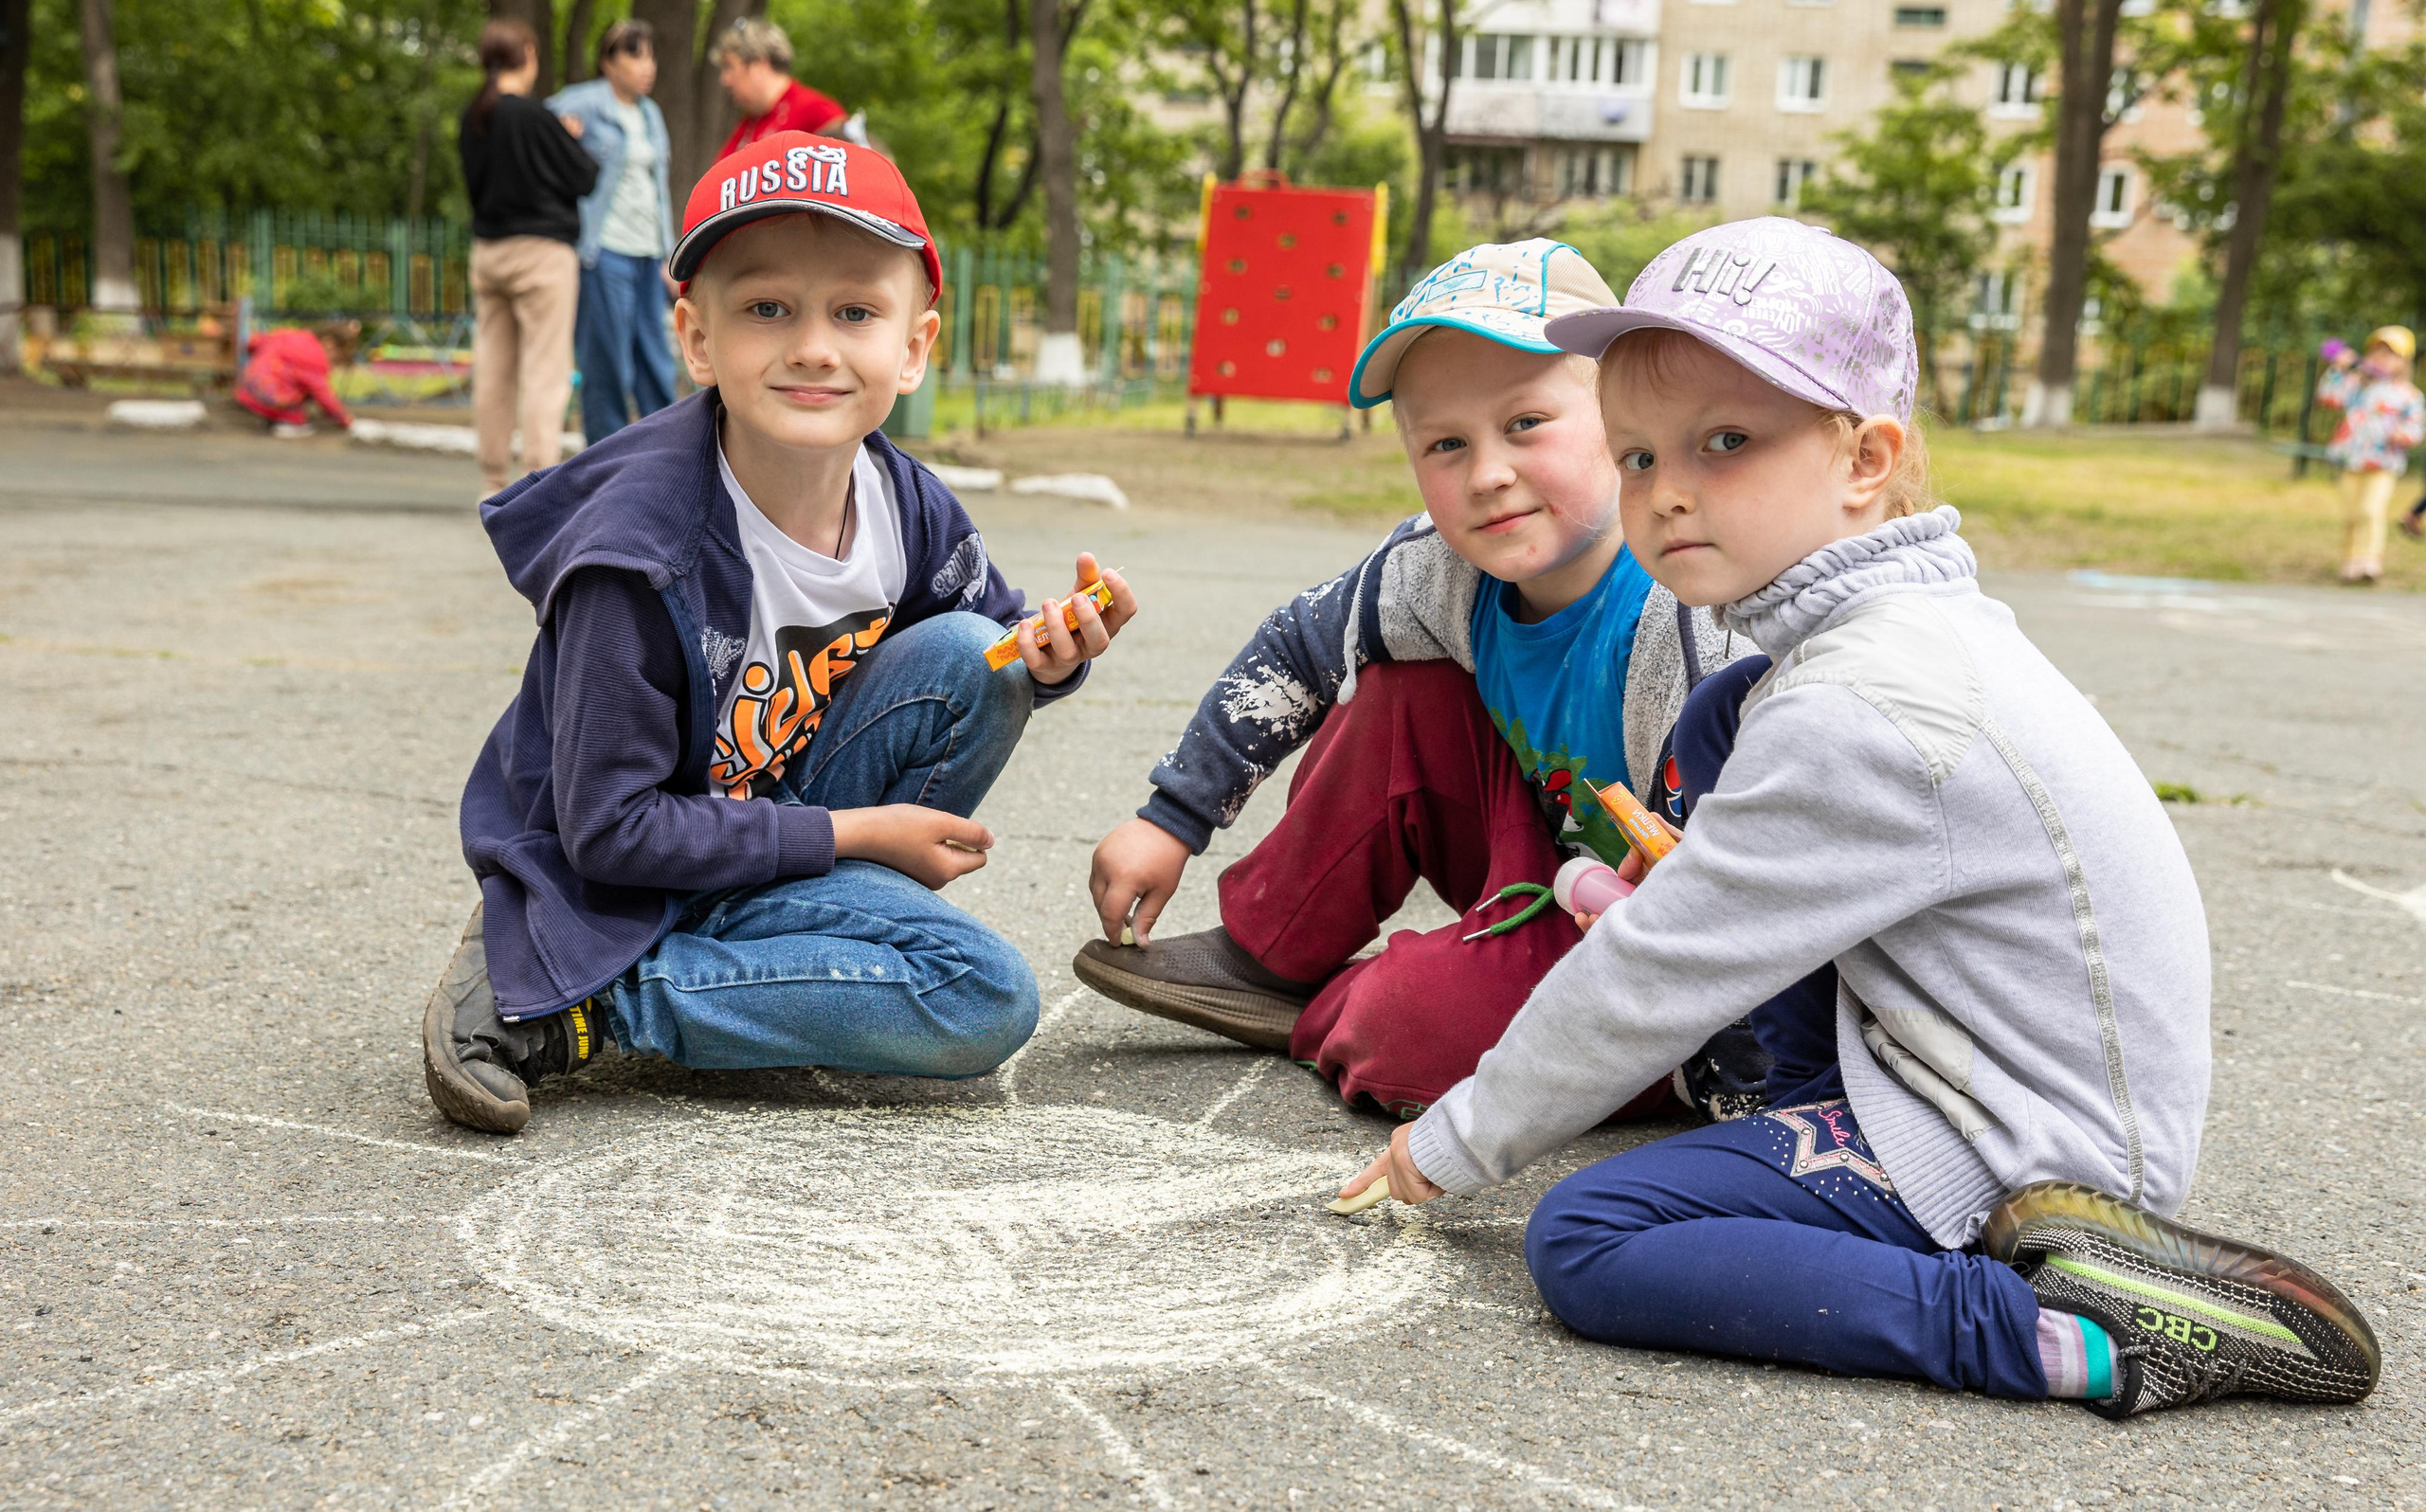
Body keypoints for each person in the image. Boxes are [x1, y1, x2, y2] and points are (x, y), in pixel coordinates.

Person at [1339, 217, 2380, 1418]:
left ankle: (2076, 1329)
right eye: (1634, 458)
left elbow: (1656, 971)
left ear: (1864, 460)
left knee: (1589, 1235)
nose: (1665, 494)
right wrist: (1698, 900)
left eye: (1724, 443)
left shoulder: (1863, 708)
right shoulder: (1871, 644)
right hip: (1973, 1056)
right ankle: (1787, 1124)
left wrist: (1456, 1142)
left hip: (2021, 1142)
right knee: (1726, 717)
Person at [423, 133, 1140, 1135]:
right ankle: (573, 999)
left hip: (764, 831)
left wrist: (1052, 650)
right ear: (697, 337)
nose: (812, 345)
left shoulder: (901, 500)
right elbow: (609, 830)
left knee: (974, 656)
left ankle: (777, 964)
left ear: (915, 347)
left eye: (855, 312)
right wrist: (855, 836)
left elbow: (999, 643)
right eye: (767, 309)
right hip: (626, 881)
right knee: (979, 997)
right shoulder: (637, 560)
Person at [1075, 240, 1766, 1123]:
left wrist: (1734, 1082)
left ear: (1622, 419)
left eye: (1525, 425)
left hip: (1652, 950)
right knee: (1406, 693)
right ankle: (1273, 956)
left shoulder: (1683, 613)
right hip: (1544, 859)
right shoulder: (1440, 572)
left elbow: (1741, 885)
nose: (1487, 474)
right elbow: (1296, 650)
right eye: (1446, 443)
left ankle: (1353, 1003)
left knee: (1401, 1030)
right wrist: (1170, 817)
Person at [459, 19, 597, 497]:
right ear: (529, 55)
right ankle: (538, 482)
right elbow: (584, 177)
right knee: (545, 369)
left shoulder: (473, 116)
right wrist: (571, 137)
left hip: (488, 253)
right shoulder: (536, 117)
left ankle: (492, 480)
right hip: (541, 255)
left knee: (493, 366)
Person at [549, 19, 679, 444]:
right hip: (603, 253)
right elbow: (537, 123)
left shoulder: (650, 113)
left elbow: (656, 190)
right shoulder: (584, 102)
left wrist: (665, 255)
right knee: (606, 360)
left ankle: (667, 456)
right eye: (635, 55)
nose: (648, 66)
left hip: (647, 255)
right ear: (608, 62)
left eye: (651, 55)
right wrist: (563, 135)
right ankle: (606, 463)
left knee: (656, 360)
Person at [2313, 327, 2424, 582]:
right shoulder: (2358, 385)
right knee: (2352, 513)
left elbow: (2415, 429)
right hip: (2352, 460)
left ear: (2404, 362)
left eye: (2391, 354)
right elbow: (2329, 398)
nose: (2383, 358)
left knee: (2370, 511)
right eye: (2378, 352)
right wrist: (2339, 369)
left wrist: (2401, 434)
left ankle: (2369, 561)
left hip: (2383, 463)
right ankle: (2350, 559)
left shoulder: (2408, 394)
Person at [714, 18, 848, 157]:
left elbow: (852, 166)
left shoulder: (817, 111)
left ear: (759, 64)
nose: (725, 80)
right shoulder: (750, 122)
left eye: (729, 67)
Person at [232, 324, 355, 437]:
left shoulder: (290, 335)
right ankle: (287, 423)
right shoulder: (315, 357)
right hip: (271, 398)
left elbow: (255, 341)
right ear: (330, 343)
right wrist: (344, 420)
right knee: (300, 416)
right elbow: (323, 394)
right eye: (338, 356)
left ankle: (271, 417)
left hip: (246, 389)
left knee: (286, 380)